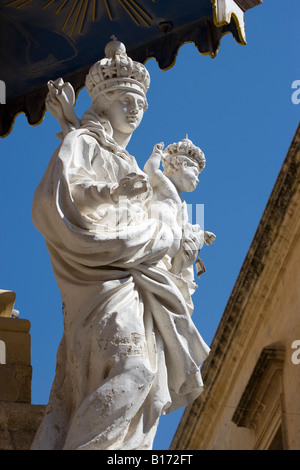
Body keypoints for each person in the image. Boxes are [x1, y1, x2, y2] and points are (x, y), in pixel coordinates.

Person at [31, 38, 210, 450]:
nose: (134, 110)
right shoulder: (83, 143)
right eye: (124, 100)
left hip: (137, 275)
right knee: (136, 371)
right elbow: (59, 195)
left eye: (140, 104)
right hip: (100, 272)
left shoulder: (127, 159)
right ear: (104, 101)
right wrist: (113, 194)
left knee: (143, 383)